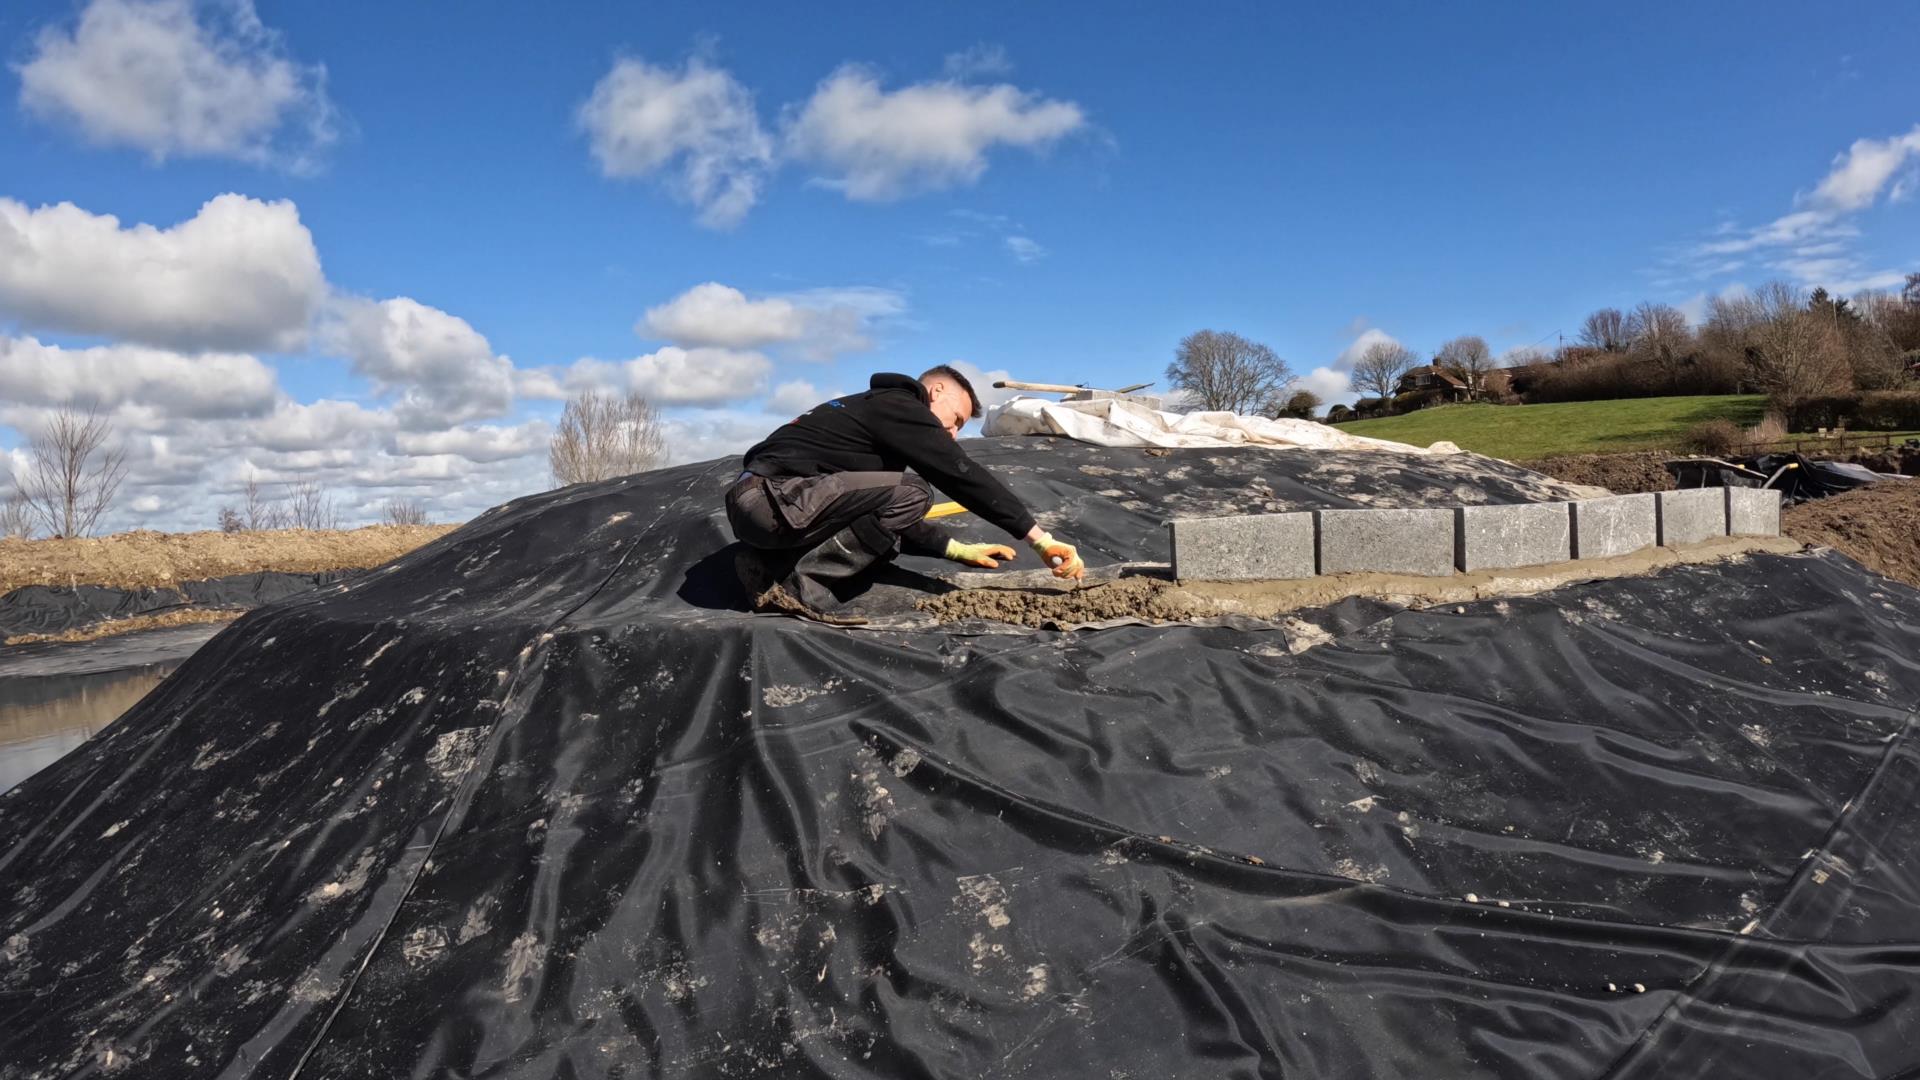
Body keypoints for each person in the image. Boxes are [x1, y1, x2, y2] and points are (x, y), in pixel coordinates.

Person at [726, 366, 1086, 624]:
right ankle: (799, 586)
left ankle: (774, 566)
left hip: (770, 504)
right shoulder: (899, 404)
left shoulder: (870, 415)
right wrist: (1038, 539)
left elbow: (881, 509)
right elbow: (959, 473)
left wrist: (956, 550)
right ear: (937, 391)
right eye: (957, 419)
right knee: (914, 490)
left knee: (896, 506)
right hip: (773, 499)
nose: (954, 433)